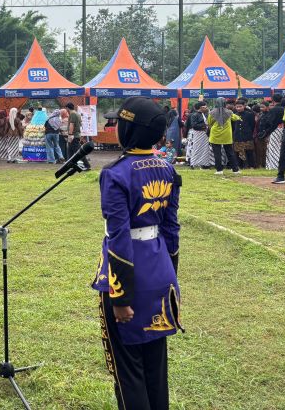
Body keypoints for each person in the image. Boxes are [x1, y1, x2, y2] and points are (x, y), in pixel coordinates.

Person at [92, 96, 182, 410]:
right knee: (156, 368)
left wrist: (121, 296)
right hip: (160, 272)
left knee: (127, 371)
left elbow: (118, 238)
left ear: (129, 131)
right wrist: (170, 276)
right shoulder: (167, 168)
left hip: (126, 277)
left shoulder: (116, 174)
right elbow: (172, 229)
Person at [207, 98, 240, 175]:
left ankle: (219, 170)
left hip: (215, 134)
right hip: (227, 135)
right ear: (225, 103)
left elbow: (209, 123)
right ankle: (235, 169)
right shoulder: (229, 112)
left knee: (217, 153)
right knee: (230, 152)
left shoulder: (212, 112)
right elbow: (236, 118)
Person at [185, 101, 213, 168]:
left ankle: (205, 164)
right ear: (201, 107)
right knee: (196, 149)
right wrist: (205, 125)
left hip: (204, 135)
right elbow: (194, 125)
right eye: (205, 107)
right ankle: (194, 163)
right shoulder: (195, 115)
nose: (206, 108)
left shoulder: (204, 114)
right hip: (198, 134)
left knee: (205, 150)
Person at [233, 99, 256, 169]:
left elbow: (252, 125)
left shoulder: (250, 114)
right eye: (237, 107)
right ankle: (239, 166)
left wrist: (249, 132)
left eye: (240, 106)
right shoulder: (234, 115)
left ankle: (251, 166)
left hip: (247, 135)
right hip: (237, 135)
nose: (239, 108)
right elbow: (233, 126)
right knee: (237, 152)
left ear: (244, 106)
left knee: (249, 151)